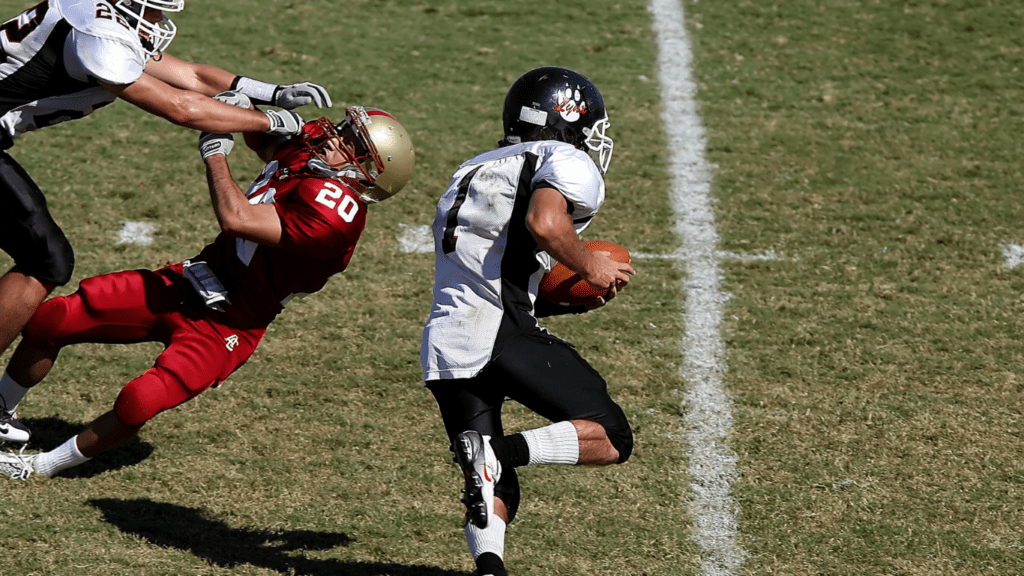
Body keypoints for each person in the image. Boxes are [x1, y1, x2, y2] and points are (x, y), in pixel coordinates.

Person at [0, 93, 416, 481]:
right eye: (344, 129)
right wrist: (261, 102)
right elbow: (260, 133)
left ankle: (38, 468)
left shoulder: (336, 218)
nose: (334, 136)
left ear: (364, 173)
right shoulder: (317, 151)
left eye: (350, 141)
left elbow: (236, 218)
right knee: (53, 320)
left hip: (228, 326)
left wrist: (215, 155)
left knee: (139, 400)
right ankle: (3, 412)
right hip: (186, 280)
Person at [0, 0, 334, 432]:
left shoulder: (95, 14)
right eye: (151, 10)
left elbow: (190, 76)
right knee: (45, 261)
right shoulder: (99, 37)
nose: (157, 20)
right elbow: (183, 108)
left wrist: (267, 91)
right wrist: (268, 121)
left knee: (45, 258)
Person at [419, 67, 635, 576]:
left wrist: (560, 300)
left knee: (494, 489)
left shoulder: (469, 169)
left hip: (446, 341)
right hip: (499, 330)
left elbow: (486, 265)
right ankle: (497, 451)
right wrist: (590, 266)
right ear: (567, 119)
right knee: (610, 436)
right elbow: (544, 222)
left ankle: (490, 569)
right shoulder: (563, 156)